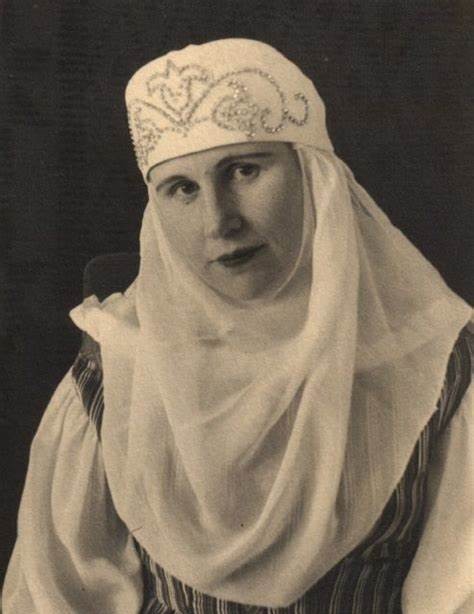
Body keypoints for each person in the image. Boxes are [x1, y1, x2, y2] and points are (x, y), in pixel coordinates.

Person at [2, 38, 473, 614]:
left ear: (315, 178)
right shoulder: (114, 370)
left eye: (244, 170)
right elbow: (56, 597)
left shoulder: (435, 363)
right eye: (182, 188)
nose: (219, 220)